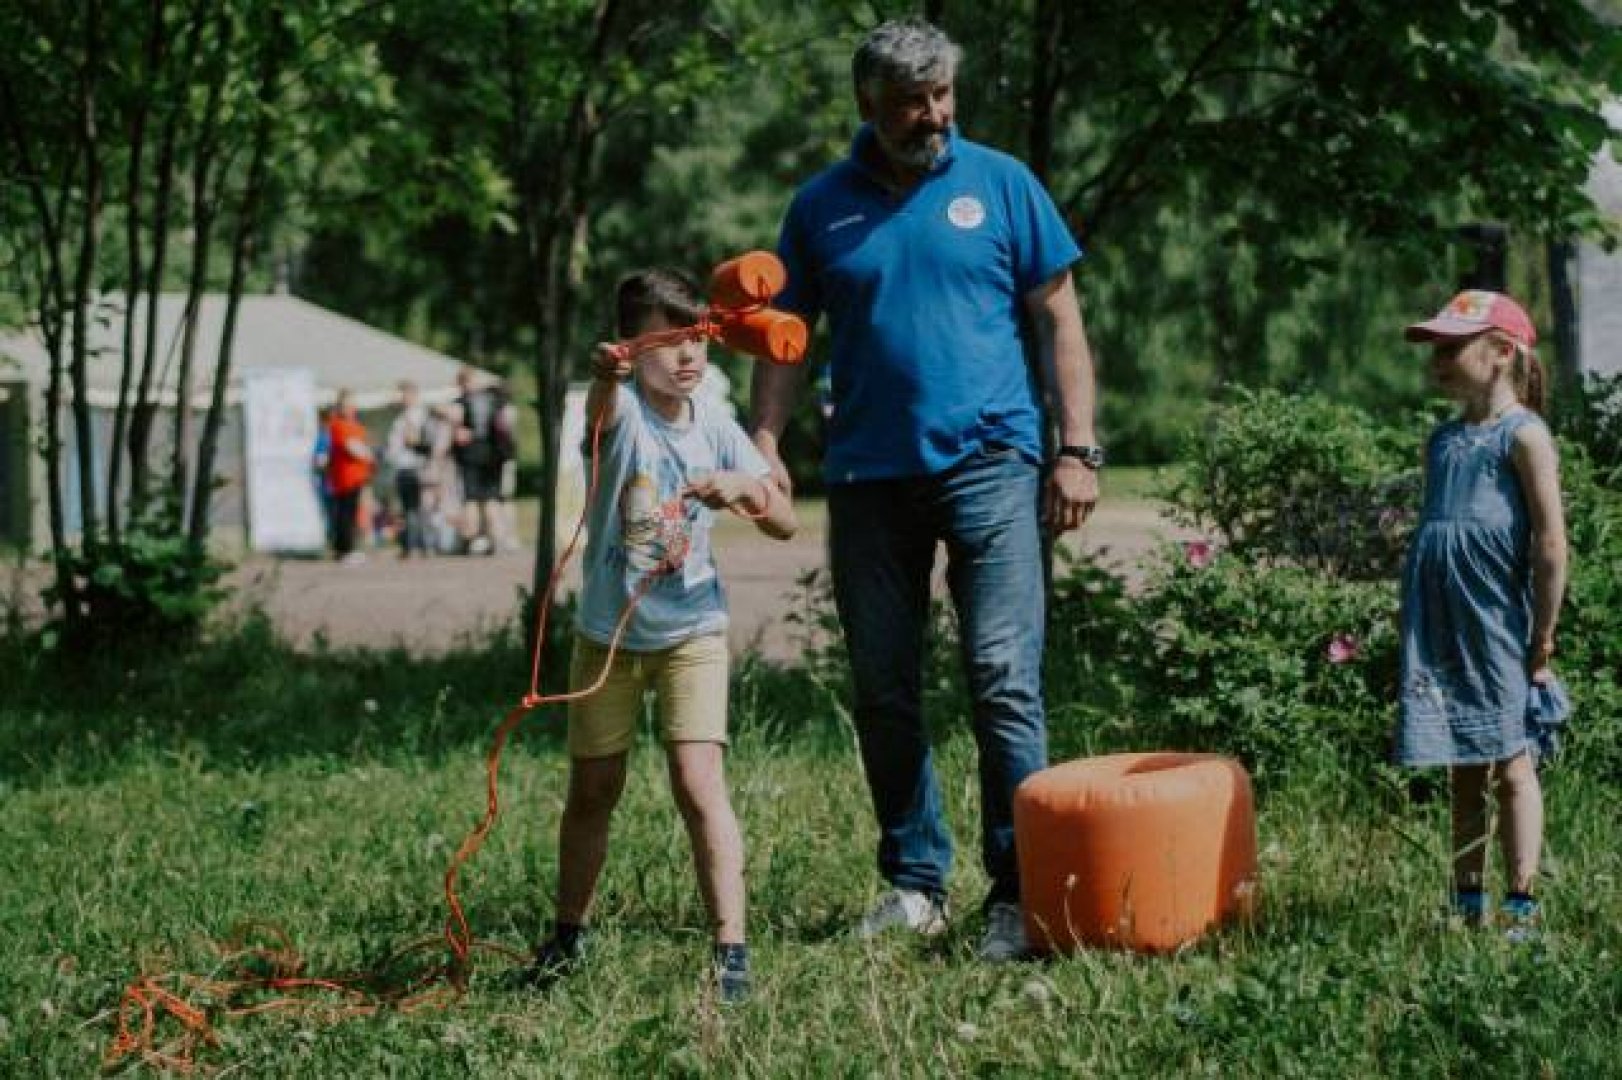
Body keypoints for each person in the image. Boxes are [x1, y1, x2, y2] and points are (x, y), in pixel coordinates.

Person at [749, 18, 1101, 961]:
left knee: (1003, 683)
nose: (935, 114)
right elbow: (786, 336)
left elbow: (1060, 319)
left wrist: (1078, 449)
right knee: (884, 688)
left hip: (992, 466)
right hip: (867, 477)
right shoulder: (820, 206)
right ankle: (916, 885)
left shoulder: (1003, 183)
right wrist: (766, 442)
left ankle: (1018, 895)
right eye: (913, 100)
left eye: (943, 94)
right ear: (868, 102)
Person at [524, 269, 797, 1003]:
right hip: (607, 638)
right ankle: (566, 941)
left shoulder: (715, 422)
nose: (687, 357)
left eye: (696, 340)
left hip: (693, 633)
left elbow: (783, 521)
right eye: (668, 341)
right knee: (594, 789)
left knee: (698, 784)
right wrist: (603, 378)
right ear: (630, 347)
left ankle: (731, 953)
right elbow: (603, 414)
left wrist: (748, 488)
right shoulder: (621, 414)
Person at [1397, 290, 1570, 941]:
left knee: (1511, 763)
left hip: (1495, 622)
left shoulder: (1523, 436)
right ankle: (1467, 902)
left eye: (1452, 348)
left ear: (1500, 352)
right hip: (1441, 625)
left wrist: (1542, 634)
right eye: (1434, 350)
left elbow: (1549, 542)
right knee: (1461, 764)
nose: (1437, 361)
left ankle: (1520, 904)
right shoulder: (1442, 440)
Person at [452, 367, 516, 555]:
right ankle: (496, 542)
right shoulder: (494, 400)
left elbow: (456, 428)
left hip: (471, 456)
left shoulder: (461, 402)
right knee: (492, 500)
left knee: (471, 499)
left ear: (462, 383)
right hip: (495, 456)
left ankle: (470, 541)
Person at [386, 380, 436, 558]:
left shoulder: (422, 416)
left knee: (420, 508)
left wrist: (414, 441)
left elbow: (426, 444)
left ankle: (423, 545)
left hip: (417, 467)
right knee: (408, 509)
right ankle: (411, 545)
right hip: (402, 467)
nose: (403, 398)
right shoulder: (400, 418)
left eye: (406, 394)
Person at [324, 389, 374, 565]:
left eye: (352, 404)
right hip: (345, 477)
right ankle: (345, 550)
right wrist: (369, 455)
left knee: (350, 514)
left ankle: (345, 549)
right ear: (340, 407)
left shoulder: (355, 424)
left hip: (357, 476)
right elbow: (352, 447)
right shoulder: (338, 425)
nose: (350, 408)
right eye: (346, 405)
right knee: (345, 515)